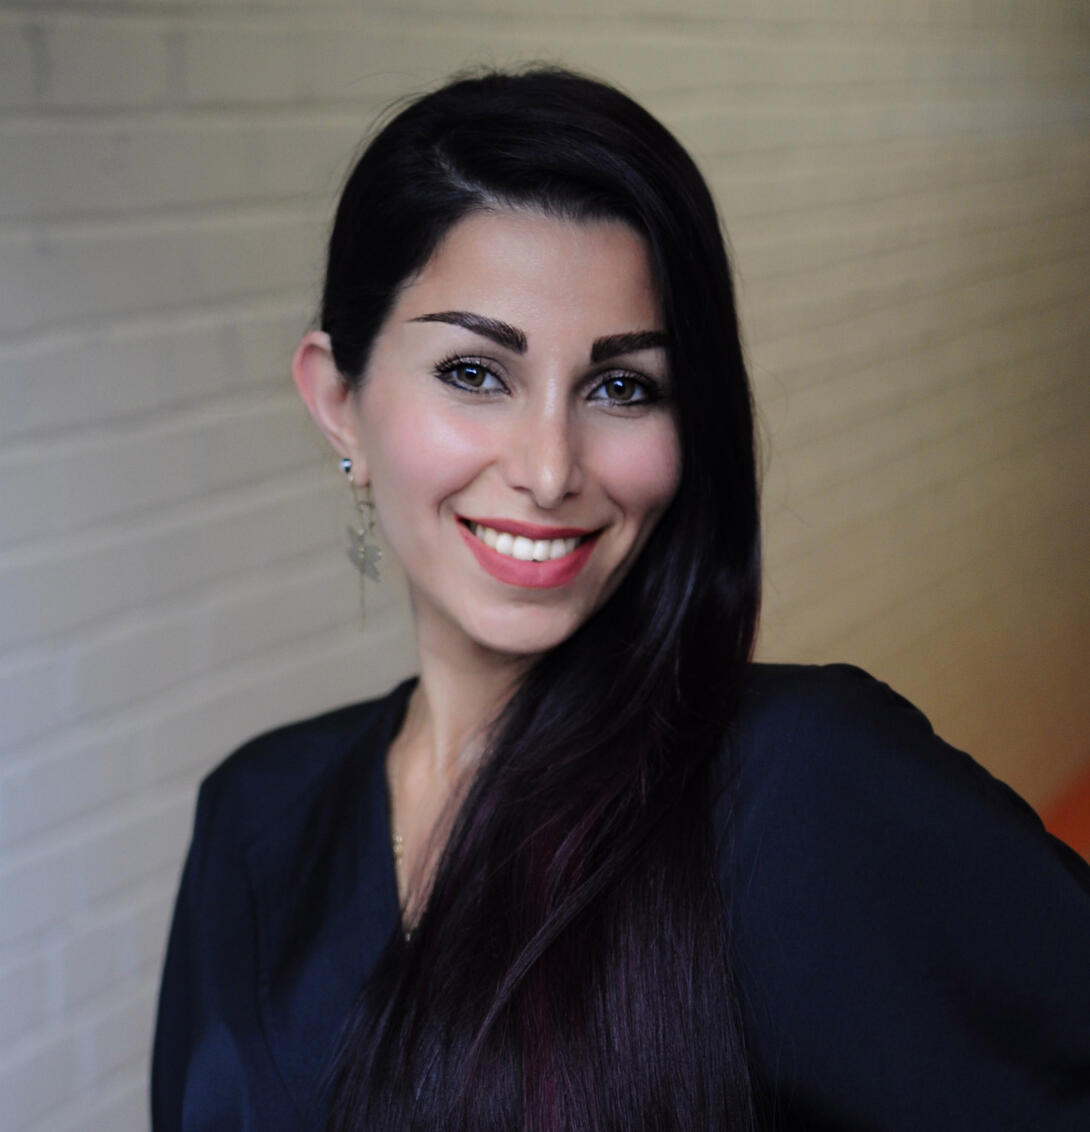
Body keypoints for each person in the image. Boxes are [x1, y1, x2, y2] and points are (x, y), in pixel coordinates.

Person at [151, 68, 1090, 1131]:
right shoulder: (255, 815)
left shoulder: (794, 789)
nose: (550, 468)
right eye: (474, 372)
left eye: (621, 387)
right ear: (340, 402)